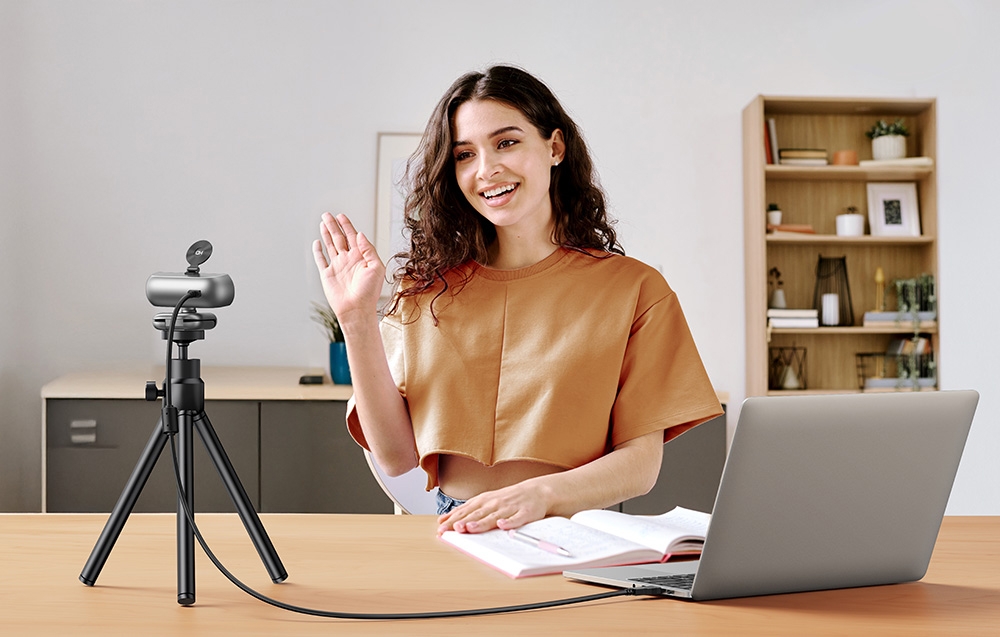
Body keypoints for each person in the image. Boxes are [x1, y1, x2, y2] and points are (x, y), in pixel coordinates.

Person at [312, 65, 722, 536]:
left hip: (579, 530)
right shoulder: (427, 289)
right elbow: (395, 456)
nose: (487, 170)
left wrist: (541, 496)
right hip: (456, 526)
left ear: (554, 147)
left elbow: (641, 466)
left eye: (506, 142)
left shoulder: (635, 289)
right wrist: (356, 317)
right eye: (465, 154)